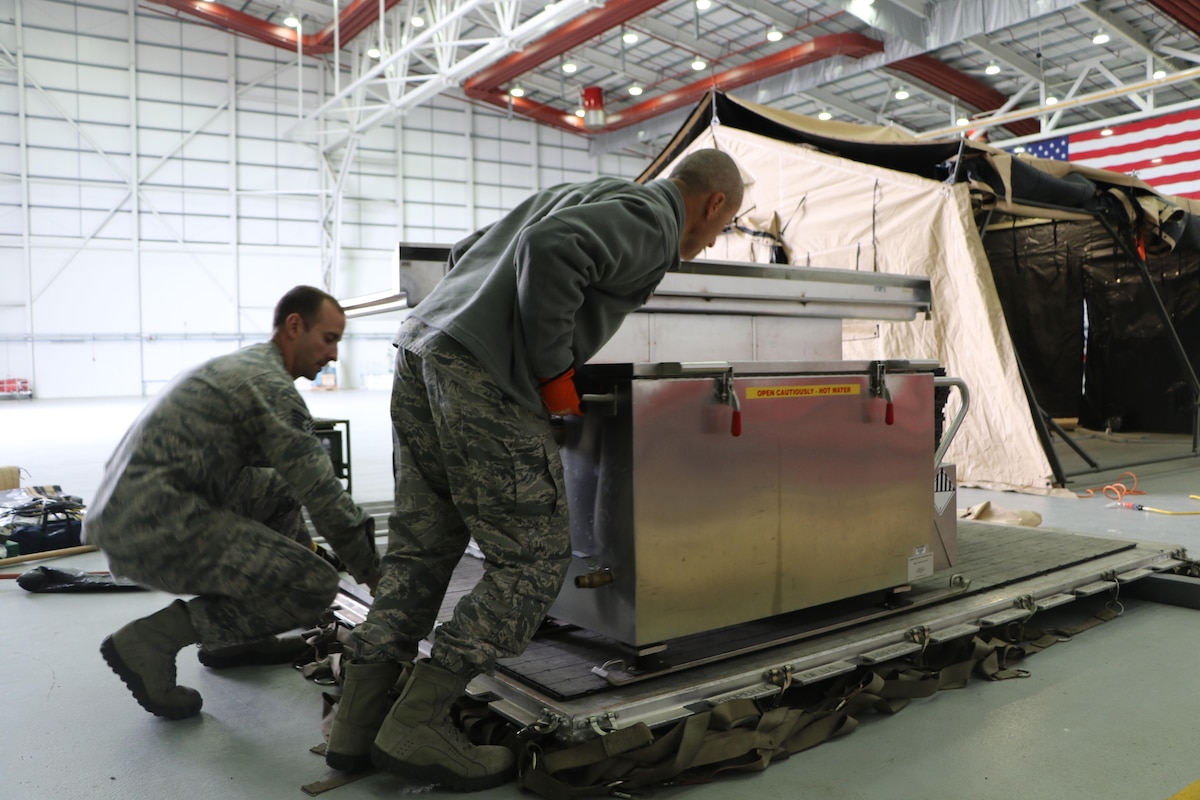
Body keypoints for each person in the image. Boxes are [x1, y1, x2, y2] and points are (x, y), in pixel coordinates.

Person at [324, 149, 744, 789]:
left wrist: (479, 315)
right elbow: (551, 249)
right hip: (483, 377)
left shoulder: (591, 190)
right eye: (723, 226)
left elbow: (470, 248)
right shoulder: (653, 219)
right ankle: (419, 720)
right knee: (534, 559)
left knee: (422, 550)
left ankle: (357, 726)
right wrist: (552, 372)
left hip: (422, 350)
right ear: (713, 204)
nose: (714, 240)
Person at [85, 285, 381, 720]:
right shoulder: (270, 389)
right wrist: (378, 577)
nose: (334, 355)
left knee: (280, 487)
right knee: (313, 586)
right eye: (329, 338)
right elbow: (327, 500)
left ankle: (233, 639)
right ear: (294, 326)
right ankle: (152, 639)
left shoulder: (250, 368)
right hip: (153, 528)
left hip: (131, 514)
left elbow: (292, 482)